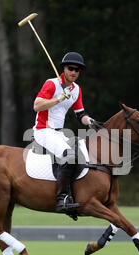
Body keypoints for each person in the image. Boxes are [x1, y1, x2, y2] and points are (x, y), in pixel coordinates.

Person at [32, 52, 96, 214]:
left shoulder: (76, 90)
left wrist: (90, 121)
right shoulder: (52, 84)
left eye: (78, 70)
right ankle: (62, 199)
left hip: (59, 133)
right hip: (43, 130)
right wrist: (58, 99)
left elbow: (80, 114)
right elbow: (37, 106)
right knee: (69, 155)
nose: (74, 72)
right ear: (64, 68)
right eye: (71, 68)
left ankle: (73, 196)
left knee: (81, 156)